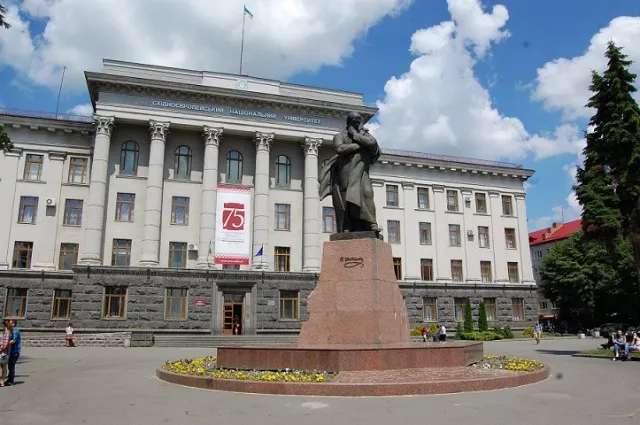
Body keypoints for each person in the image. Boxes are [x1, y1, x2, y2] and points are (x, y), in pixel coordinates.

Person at [319, 112, 382, 233]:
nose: (358, 122)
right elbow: (340, 149)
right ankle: (346, 226)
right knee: (346, 199)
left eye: (359, 120)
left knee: (367, 192)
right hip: (345, 171)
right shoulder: (340, 136)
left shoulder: (364, 134)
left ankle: (371, 223)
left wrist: (356, 135)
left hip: (362, 172)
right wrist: (358, 145)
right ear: (349, 121)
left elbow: (372, 143)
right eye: (355, 119)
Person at [5, 319, 21, 386]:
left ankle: (11, 380)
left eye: (10, 322)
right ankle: (9, 379)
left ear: (14, 324)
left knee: (12, 366)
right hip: (11, 351)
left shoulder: (15, 330)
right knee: (10, 366)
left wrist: (4, 343)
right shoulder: (10, 330)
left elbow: (13, 341)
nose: (8, 323)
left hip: (15, 351)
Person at [0, 320, 10, 387]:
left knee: (4, 367)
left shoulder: (7, 333)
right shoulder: (4, 333)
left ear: (4, 325)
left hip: (4, 353)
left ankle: (2, 381)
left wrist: (1, 348)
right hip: (2, 352)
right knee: (3, 367)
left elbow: (5, 345)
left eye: (2, 325)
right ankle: (2, 381)